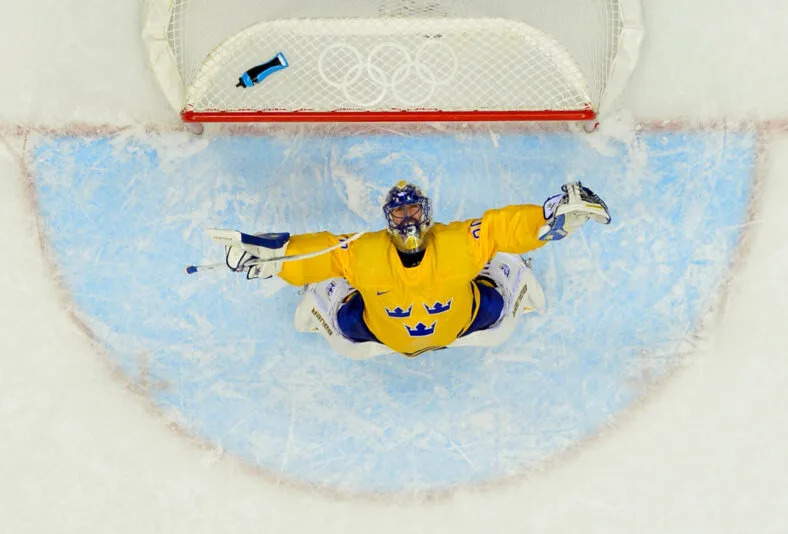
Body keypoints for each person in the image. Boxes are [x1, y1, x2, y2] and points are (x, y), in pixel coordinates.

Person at [224, 181, 610, 358]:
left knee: (342, 306)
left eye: (412, 211)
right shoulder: (459, 244)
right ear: (391, 217)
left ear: (423, 213)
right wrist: (545, 219)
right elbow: (499, 230)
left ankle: (319, 305)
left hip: (381, 333)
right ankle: (515, 282)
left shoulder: (364, 253)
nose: (407, 220)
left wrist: (281, 260)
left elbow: (324, 254)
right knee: (495, 280)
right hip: (462, 322)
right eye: (401, 212)